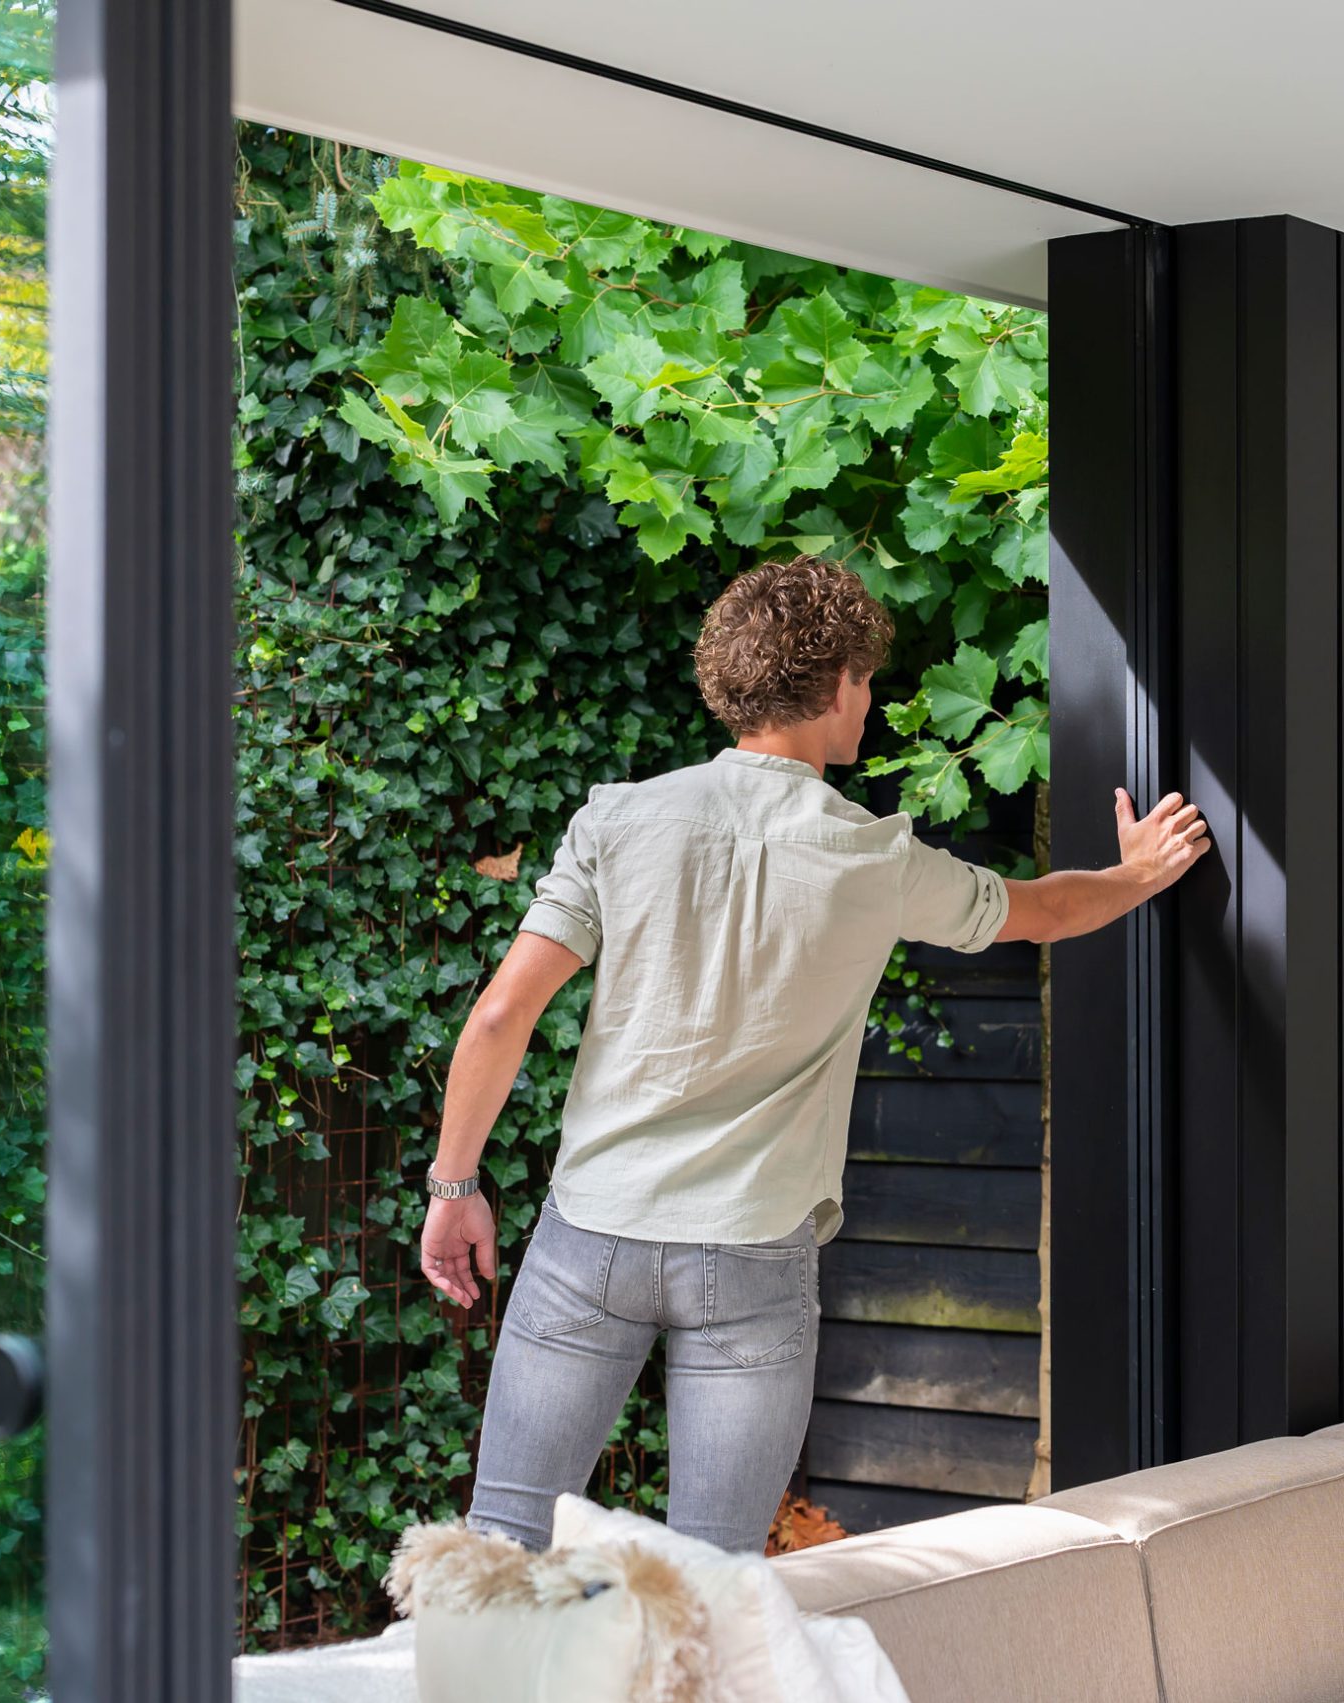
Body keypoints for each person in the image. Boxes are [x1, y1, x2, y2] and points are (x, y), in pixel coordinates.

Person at [418, 555, 1209, 1554]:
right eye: (866, 681)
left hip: (591, 1236)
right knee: (713, 1577)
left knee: (499, 1546)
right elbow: (1043, 911)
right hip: (752, 1254)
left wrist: (454, 1186)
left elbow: (501, 1014)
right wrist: (1136, 875)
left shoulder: (615, 820)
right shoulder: (877, 858)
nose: (867, 702)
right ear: (837, 683)